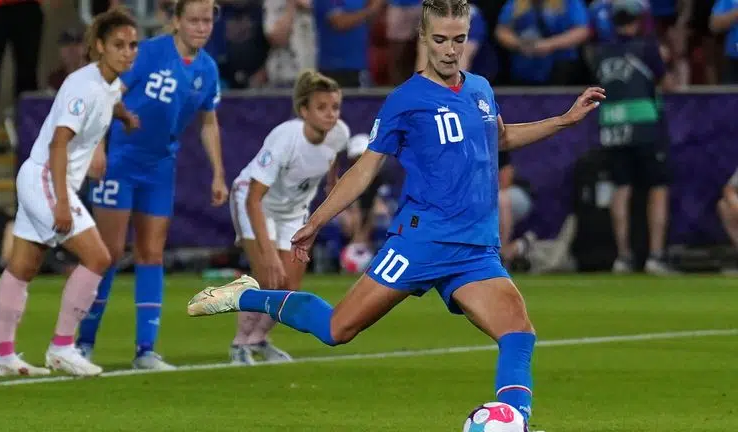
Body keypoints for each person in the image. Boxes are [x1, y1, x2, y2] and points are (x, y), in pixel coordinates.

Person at [187, 0, 604, 425]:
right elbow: (366, 168)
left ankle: (513, 419)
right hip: (420, 242)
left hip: (475, 249)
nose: (449, 49)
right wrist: (316, 221)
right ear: (424, 38)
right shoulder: (406, 99)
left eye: (458, 40)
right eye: (440, 39)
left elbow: (500, 138)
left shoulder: (480, 89)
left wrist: (564, 120)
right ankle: (244, 295)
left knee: (518, 334)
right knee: (337, 330)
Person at [75, 0, 227, 371]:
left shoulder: (207, 69)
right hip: (121, 162)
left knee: (152, 254)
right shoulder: (146, 53)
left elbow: (208, 121)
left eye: (207, 20)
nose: (201, 27)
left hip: (161, 167)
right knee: (108, 254)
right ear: (176, 21)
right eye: (193, 20)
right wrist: (98, 146)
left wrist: (219, 172)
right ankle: (82, 344)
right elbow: (108, 93)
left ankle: (145, 350)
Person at [0, 8, 139, 377]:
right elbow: (59, 145)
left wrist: (123, 117)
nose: (128, 51)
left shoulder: (109, 82)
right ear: (99, 47)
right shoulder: (83, 88)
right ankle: (62, 347)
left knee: (24, 266)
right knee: (99, 258)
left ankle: (3, 356)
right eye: (119, 45)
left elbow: (112, 98)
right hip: (46, 178)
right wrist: (59, 202)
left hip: (42, 178)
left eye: (133, 45)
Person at [228, 70, 350, 364]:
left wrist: (333, 190)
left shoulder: (340, 134)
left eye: (334, 107)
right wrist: (268, 253)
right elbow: (254, 198)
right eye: (321, 108)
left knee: (290, 286)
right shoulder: (285, 138)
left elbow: (330, 169)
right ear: (303, 111)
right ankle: (238, 345)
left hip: (294, 211)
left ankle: (258, 340)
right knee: (267, 277)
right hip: (255, 203)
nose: (330, 114)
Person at [592, 0, 676, 274]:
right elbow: (668, 84)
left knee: (620, 189)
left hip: (612, 128)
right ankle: (655, 256)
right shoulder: (647, 47)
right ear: (639, 19)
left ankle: (623, 257)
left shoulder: (601, 52)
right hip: (645, 126)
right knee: (658, 189)